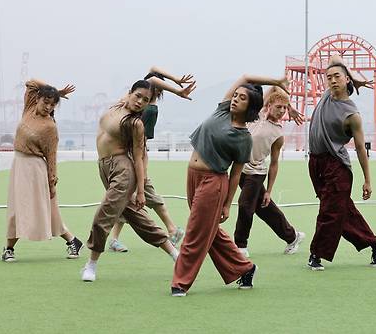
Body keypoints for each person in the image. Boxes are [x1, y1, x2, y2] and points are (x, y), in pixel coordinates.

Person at [171, 74, 289, 296]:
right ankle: (245, 268)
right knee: (208, 229)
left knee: (196, 232)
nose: (235, 99)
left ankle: (180, 282)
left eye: (242, 98)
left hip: (213, 182)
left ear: (250, 106)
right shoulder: (222, 110)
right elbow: (244, 77)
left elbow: (235, 175)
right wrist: (275, 81)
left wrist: (226, 204)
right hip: (193, 175)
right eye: (235, 95)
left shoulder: (244, 137)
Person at [81, 80, 179, 282]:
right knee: (136, 216)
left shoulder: (135, 124)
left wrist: (141, 190)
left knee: (104, 215)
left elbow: (140, 157)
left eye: (146, 100)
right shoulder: (116, 106)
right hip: (105, 168)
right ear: (129, 93)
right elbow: (152, 78)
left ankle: (91, 264)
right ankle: (175, 254)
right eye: (138, 96)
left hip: (123, 170)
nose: (140, 102)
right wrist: (177, 85)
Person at [307, 56, 376, 271]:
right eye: (329, 77)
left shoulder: (352, 114)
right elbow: (335, 59)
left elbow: (361, 148)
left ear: (345, 80)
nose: (332, 81)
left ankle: (316, 254)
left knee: (329, 211)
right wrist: (353, 78)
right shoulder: (326, 95)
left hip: (336, 166)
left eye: (337, 77)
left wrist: (367, 180)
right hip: (315, 163)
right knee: (342, 211)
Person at [108, 67, 196, 252]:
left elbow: (142, 145)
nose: (140, 99)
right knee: (135, 199)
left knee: (135, 198)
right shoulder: (135, 98)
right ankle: (172, 229)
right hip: (123, 158)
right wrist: (176, 80)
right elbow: (153, 73)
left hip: (132, 158)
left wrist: (143, 171)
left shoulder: (149, 109)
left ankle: (170, 230)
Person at [2, 79, 82, 262]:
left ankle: (71, 241)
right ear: (37, 99)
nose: (48, 106)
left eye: (52, 104)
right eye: (46, 101)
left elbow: (51, 157)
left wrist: (52, 182)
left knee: (46, 209)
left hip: (36, 169)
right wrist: (57, 91)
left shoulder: (50, 126)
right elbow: (30, 82)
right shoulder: (29, 108)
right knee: (16, 208)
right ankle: (9, 248)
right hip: (19, 165)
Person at [234, 86, 305, 257]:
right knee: (265, 209)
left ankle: (240, 246)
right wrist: (291, 106)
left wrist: (270, 190)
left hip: (256, 173)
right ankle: (293, 236)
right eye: (279, 107)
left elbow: (274, 163)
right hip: (241, 170)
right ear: (269, 105)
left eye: (284, 108)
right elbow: (274, 86)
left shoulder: (278, 134)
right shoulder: (257, 114)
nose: (282, 111)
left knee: (245, 205)